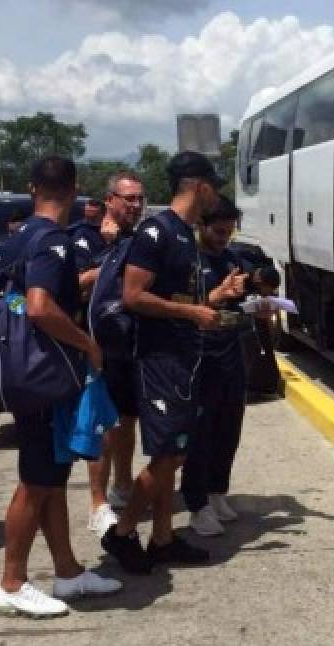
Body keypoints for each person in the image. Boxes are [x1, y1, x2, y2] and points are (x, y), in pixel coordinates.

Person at [101, 152, 245, 573]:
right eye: (213, 186)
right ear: (198, 186)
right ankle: (123, 532)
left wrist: (213, 300)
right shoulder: (156, 232)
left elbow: (183, 299)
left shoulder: (184, 234)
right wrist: (191, 314)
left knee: (177, 453)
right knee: (167, 454)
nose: (216, 195)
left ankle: (163, 537)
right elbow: (133, 296)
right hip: (159, 359)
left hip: (186, 359)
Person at [0, 156, 121, 619]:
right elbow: (39, 307)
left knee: (51, 478)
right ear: (73, 190)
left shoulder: (20, 237)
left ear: (32, 188)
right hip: (47, 376)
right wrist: (87, 344)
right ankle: (11, 581)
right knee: (36, 481)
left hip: (25, 372)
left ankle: (67, 570)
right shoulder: (53, 243)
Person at [179, 195, 264, 536]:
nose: (223, 238)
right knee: (200, 433)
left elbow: (239, 305)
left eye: (229, 232)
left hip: (231, 351)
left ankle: (217, 491)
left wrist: (257, 305)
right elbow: (180, 307)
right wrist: (213, 297)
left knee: (229, 427)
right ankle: (196, 503)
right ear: (200, 225)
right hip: (199, 356)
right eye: (217, 231)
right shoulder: (187, 261)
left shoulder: (231, 259)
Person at [69, 171, 145, 539]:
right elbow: (73, 285)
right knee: (101, 422)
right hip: (95, 343)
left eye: (139, 199)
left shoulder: (140, 240)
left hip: (130, 344)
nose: (134, 205)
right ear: (109, 200)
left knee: (126, 419)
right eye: (127, 198)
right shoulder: (84, 239)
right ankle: (97, 503)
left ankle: (123, 484)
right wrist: (111, 262)